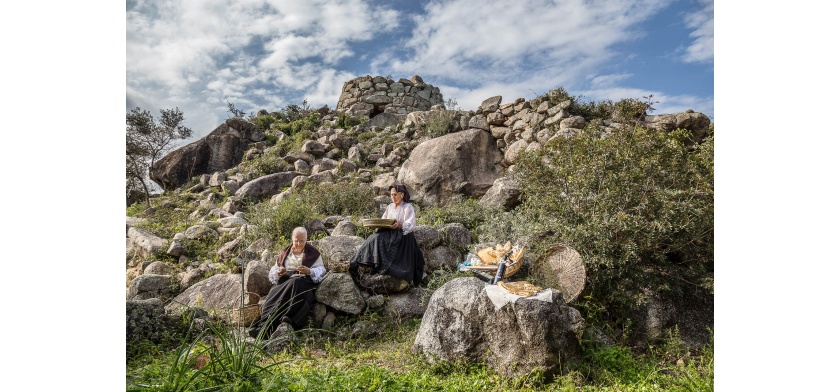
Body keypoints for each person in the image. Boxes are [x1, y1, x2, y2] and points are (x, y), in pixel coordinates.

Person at [248, 227, 326, 338]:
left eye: (302, 241)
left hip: (303, 282)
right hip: (285, 281)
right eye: (296, 240)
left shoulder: (313, 253)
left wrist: (309, 271)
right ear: (292, 239)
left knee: (295, 282)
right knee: (273, 293)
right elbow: (274, 270)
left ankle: (269, 327)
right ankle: (262, 325)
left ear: (306, 239)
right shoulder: (285, 253)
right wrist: (279, 272)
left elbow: (321, 270)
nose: (299, 243)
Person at [349, 183, 426, 286]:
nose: (393, 197)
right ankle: (356, 261)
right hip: (389, 232)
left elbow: (410, 225)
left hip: (402, 237)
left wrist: (399, 224)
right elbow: (383, 221)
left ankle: (382, 265)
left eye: (395, 194)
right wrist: (374, 226)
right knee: (372, 238)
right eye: (391, 195)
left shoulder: (408, 207)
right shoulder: (390, 207)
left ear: (402, 195)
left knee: (378, 239)